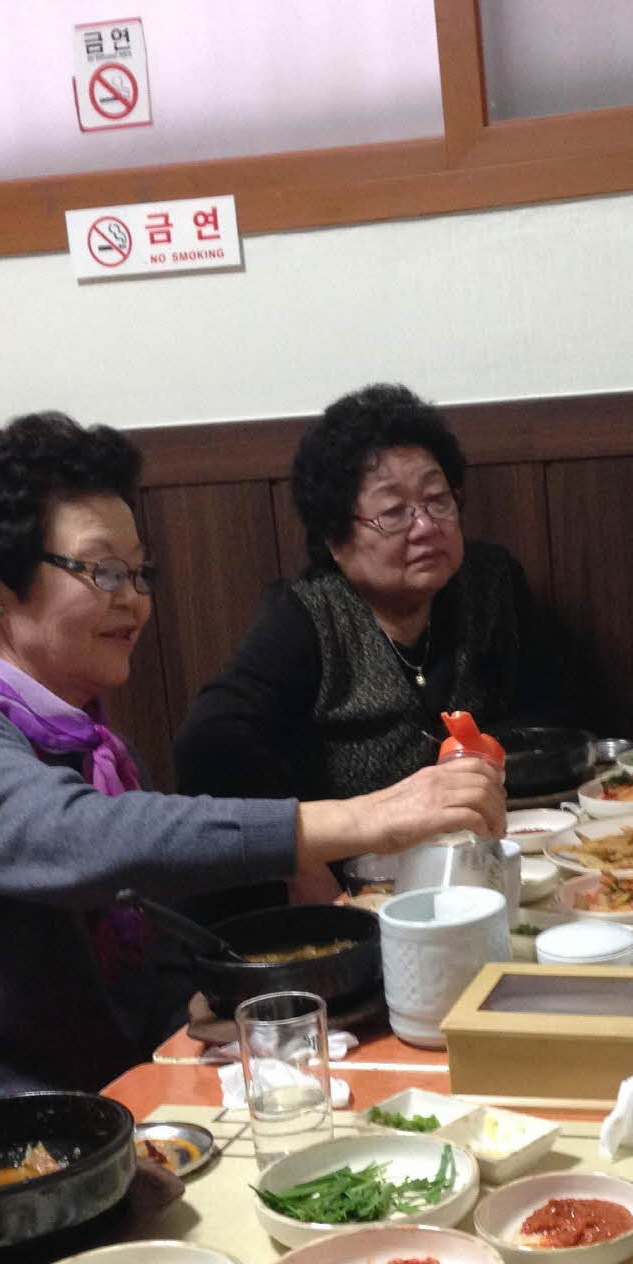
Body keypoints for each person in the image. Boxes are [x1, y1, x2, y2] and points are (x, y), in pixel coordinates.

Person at [0, 411, 505, 1096]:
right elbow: (84, 841)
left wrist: (195, 1016)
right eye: (102, 571)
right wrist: (365, 818)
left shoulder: (94, 746)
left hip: (100, 1093)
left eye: (138, 572)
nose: (133, 602)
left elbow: (140, 941)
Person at [173, 383, 578, 898]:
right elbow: (209, 745)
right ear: (335, 538)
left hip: (496, 867)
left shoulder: (490, 582)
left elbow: (550, 717)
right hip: (362, 892)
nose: (426, 526)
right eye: (393, 512)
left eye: (438, 500)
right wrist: (301, 865)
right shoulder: (307, 616)